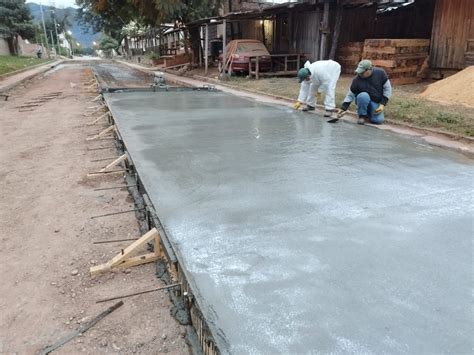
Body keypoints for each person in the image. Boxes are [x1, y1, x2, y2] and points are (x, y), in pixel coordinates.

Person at [338, 59, 392, 125]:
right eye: (359, 72)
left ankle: (369, 113)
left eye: (362, 72)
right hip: (363, 100)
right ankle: (362, 116)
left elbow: (387, 89)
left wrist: (382, 104)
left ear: (369, 70)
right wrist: (343, 108)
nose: (360, 74)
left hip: (375, 101)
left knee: (378, 120)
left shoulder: (380, 73)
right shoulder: (357, 80)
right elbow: (350, 95)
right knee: (363, 96)